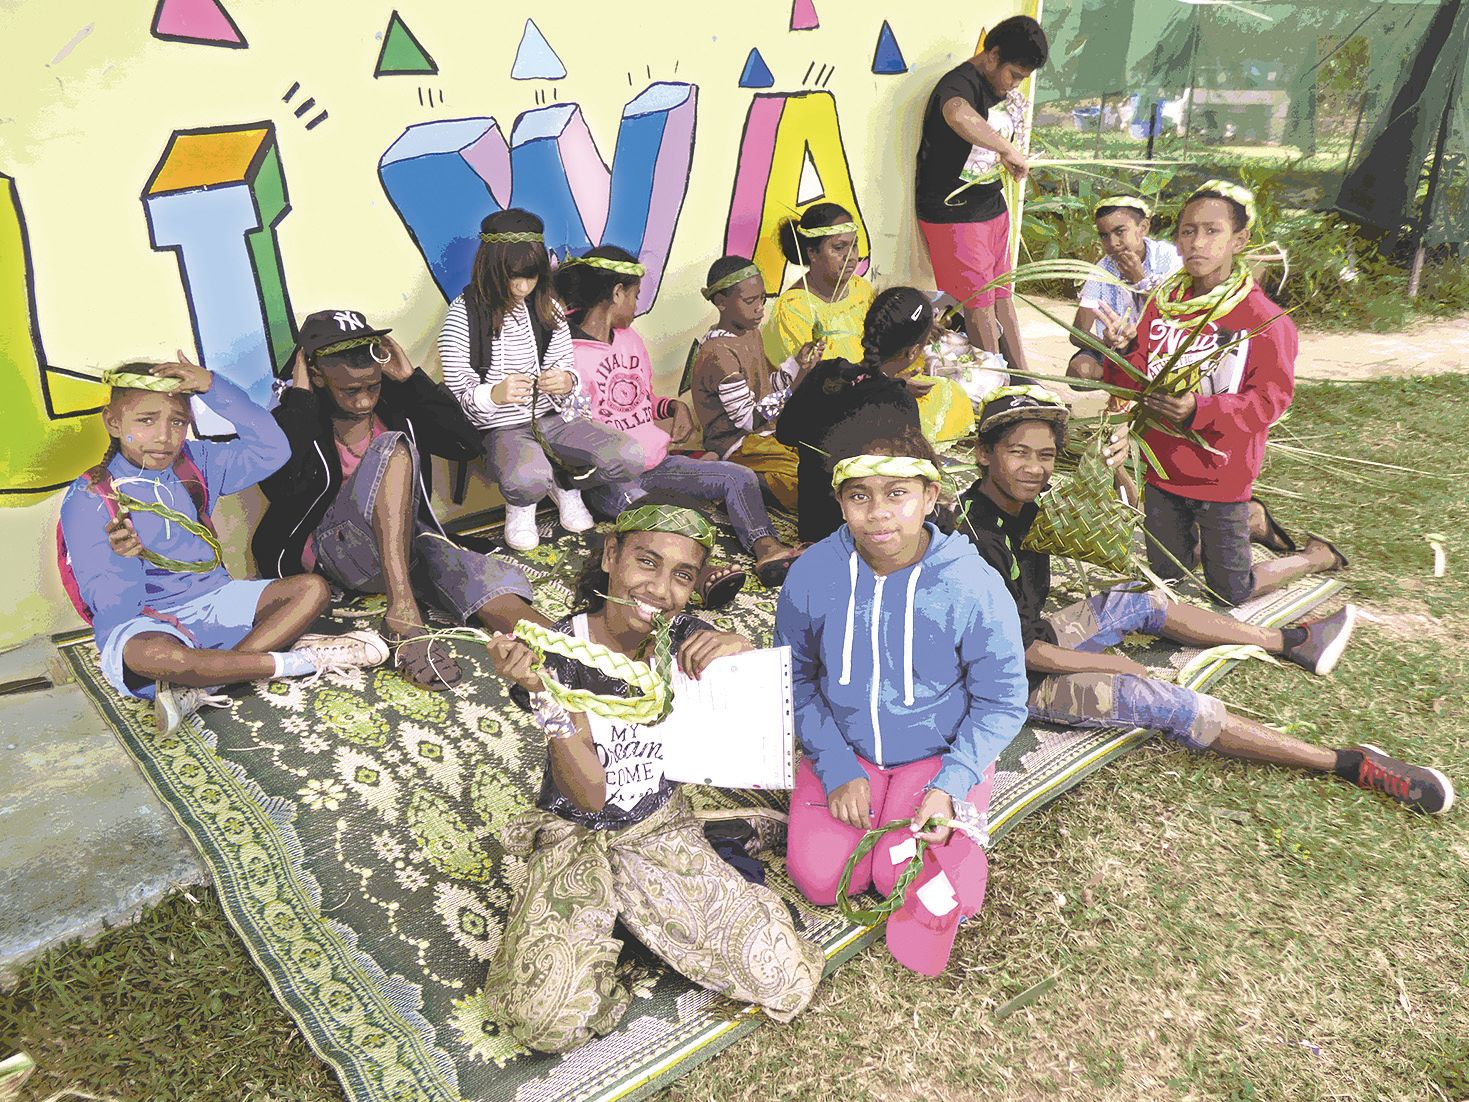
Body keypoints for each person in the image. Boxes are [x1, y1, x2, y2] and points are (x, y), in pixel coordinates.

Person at [957, 385, 1455, 815]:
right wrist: (1117, 667)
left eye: (1045, 455)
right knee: (1165, 703)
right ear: (983, 453)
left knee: (1140, 600)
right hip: (1006, 682)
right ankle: (1348, 763)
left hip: (1028, 638)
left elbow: (1121, 514)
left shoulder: (1018, 499)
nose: (1034, 468)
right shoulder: (976, 541)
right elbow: (1023, 654)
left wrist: (1117, 470)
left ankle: (1289, 641)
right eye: (1018, 453)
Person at [483, 491, 824, 1052]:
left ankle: (709, 844)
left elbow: (744, 713)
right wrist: (546, 696)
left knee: (781, 974)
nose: (660, 590)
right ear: (610, 555)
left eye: (682, 575)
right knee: (544, 1021)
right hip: (580, 833)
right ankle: (633, 914)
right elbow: (591, 797)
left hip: (660, 826)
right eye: (647, 561)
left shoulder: (681, 636)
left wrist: (736, 649)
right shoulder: (559, 653)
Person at [776, 422, 1029, 975]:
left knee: (904, 878)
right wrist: (837, 765)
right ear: (840, 502)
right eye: (859, 496)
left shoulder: (973, 584)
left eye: (897, 494)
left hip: (935, 755)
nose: (879, 514)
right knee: (820, 881)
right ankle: (858, 794)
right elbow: (794, 678)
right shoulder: (812, 574)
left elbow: (1003, 700)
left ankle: (961, 801)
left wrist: (951, 783)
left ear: (930, 496)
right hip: (847, 749)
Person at [59, 356, 388, 735]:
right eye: (146, 421)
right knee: (150, 655)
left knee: (312, 589)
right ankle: (300, 662)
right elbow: (114, 612)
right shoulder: (90, 497)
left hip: (216, 600)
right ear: (113, 423)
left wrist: (213, 387)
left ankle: (206, 682)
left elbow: (272, 450)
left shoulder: (195, 462)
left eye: (177, 422)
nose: (164, 436)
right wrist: (123, 561)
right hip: (149, 619)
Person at [255, 308, 550, 691]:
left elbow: (465, 445)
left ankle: (567, 649)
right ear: (317, 375)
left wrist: (412, 382)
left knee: (465, 567)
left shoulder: (396, 405)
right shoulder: (295, 418)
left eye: (372, 387)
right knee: (392, 448)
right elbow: (283, 491)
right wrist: (300, 400)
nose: (364, 401)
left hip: (401, 545)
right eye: (350, 391)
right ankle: (404, 616)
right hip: (337, 555)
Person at [1096, 180, 1347, 605]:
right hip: (1162, 468)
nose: (1198, 242)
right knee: (1167, 579)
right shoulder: (1163, 306)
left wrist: (1199, 410)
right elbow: (1133, 382)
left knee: (1230, 592)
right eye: (1188, 231)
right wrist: (1120, 352)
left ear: (1239, 240)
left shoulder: (1264, 319)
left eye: (1212, 231)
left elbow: (1269, 401)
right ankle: (1243, 526)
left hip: (1220, 474)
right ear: (1176, 240)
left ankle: (1314, 556)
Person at [556, 247, 806, 592]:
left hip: (656, 463)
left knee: (738, 477)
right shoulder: (569, 355)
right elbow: (573, 433)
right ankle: (700, 575)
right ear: (617, 293)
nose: (637, 305)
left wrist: (674, 407)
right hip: (610, 478)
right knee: (656, 514)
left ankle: (766, 548)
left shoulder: (630, 339)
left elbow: (639, 400)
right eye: (635, 295)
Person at [438, 208, 643, 551]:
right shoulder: (464, 314)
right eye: (514, 277)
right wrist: (495, 394)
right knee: (527, 478)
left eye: (531, 276)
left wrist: (566, 381)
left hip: (554, 419)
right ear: (492, 268)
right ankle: (522, 505)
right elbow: (459, 394)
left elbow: (567, 366)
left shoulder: (546, 307)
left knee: (629, 455)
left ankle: (565, 483)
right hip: (502, 428)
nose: (522, 287)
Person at [763, 206, 973, 445]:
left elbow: (884, 340)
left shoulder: (859, 288)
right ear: (812, 252)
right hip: (836, 405)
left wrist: (917, 333)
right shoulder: (794, 309)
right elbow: (822, 384)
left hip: (882, 383)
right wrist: (890, 385)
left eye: (854, 246)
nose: (851, 256)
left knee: (949, 392)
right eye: (839, 248)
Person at [915, 15, 1049, 374]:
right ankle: (996, 384)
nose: (1014, 85)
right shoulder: (958, 84)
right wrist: (1006, 148)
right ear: (992, 56)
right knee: (979, 306)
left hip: (991, 205)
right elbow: (957, 114)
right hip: (954, 213)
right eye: (1014, 75)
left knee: (1002, 295)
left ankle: (1025, 378)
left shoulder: (998, 87)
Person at [775, 287, 927, 543]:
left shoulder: (825, 372)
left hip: (814, 523)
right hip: (863, 535)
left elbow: (785, 433)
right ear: (913, 352)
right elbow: (908, 480)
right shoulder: (900, 403)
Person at [688, 254, 818, 511]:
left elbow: (766, 389)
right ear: (721, 302)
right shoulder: (718, 353)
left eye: (762, 299)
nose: (760, 308)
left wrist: (797, 364)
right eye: (750, 301)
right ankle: (732, 477)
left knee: (822, 456)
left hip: (763, 435)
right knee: (807, 484)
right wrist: (793, 387)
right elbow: (749, 420)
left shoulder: (751, 333)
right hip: (738, 444)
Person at [1064, 196, 1181, 380]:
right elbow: (1078, 333)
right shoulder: (1102, 270)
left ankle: (1133, 379)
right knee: (1080, 370)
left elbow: (1176, 315)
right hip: (1117, 350)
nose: (1112, 243)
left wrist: (1140, 280)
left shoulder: (1169, 258)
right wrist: (1110, 345)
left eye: (1120, 232)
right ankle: (1123, 378)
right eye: (1104, 236)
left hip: (1161, 347)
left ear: (1143, 228)